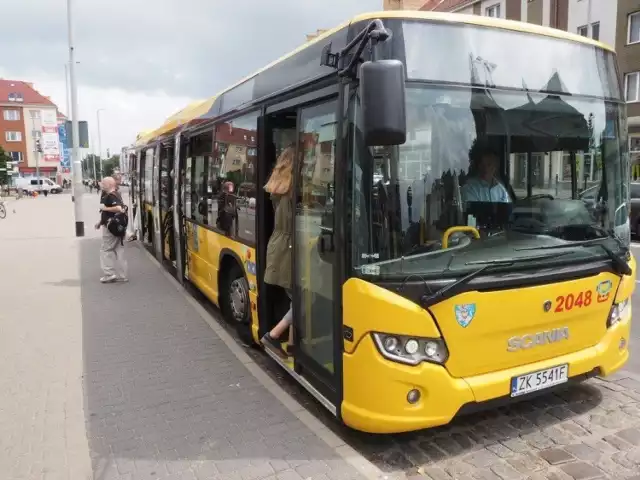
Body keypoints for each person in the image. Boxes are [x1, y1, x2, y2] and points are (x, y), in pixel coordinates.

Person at [260, 146, 295, 359]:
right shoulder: (293, 191)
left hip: (278, 244)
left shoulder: (276, 187)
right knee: (303, 300)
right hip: (288, 249)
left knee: (295, 297)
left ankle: (292, 345)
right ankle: (273, 336)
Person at [95, 177, 128, 283]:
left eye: (103, 183)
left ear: (109, 184)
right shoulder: (117, 194)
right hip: (119, 227)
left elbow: (118, 208)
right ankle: (123, 276)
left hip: (111, 228)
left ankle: (109, 274)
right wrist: (100, 222)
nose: (101, 184)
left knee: (105, 250)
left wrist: (104, 208)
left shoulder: (110, 196)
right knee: (119, 250)